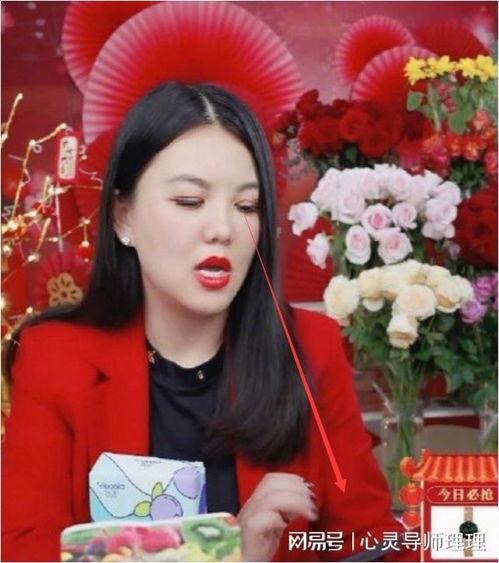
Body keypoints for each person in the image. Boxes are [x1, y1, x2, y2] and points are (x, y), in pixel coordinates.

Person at [2, 82, 410, 562]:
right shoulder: (55, 357)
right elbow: (24, 551)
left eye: (246, 206)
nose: (222, 229)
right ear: (122, 216)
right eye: (189, 201)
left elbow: (367, 543)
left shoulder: (309, 347)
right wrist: (230, 552)